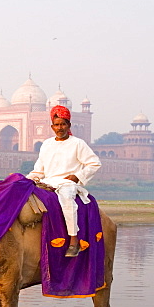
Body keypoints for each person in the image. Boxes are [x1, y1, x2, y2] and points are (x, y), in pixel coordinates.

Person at [27, 105, 101, 257]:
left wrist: (77, 176)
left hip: (67, 184)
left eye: (63, 124)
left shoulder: (77, 143)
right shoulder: (47, 144)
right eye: (56, 125)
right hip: (48, 182)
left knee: (67, 200)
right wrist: (26, 179)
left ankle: (73, 240)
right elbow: (39, 170)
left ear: (68, 125)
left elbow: (94, 163)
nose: (59, 128)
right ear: (52, 126)